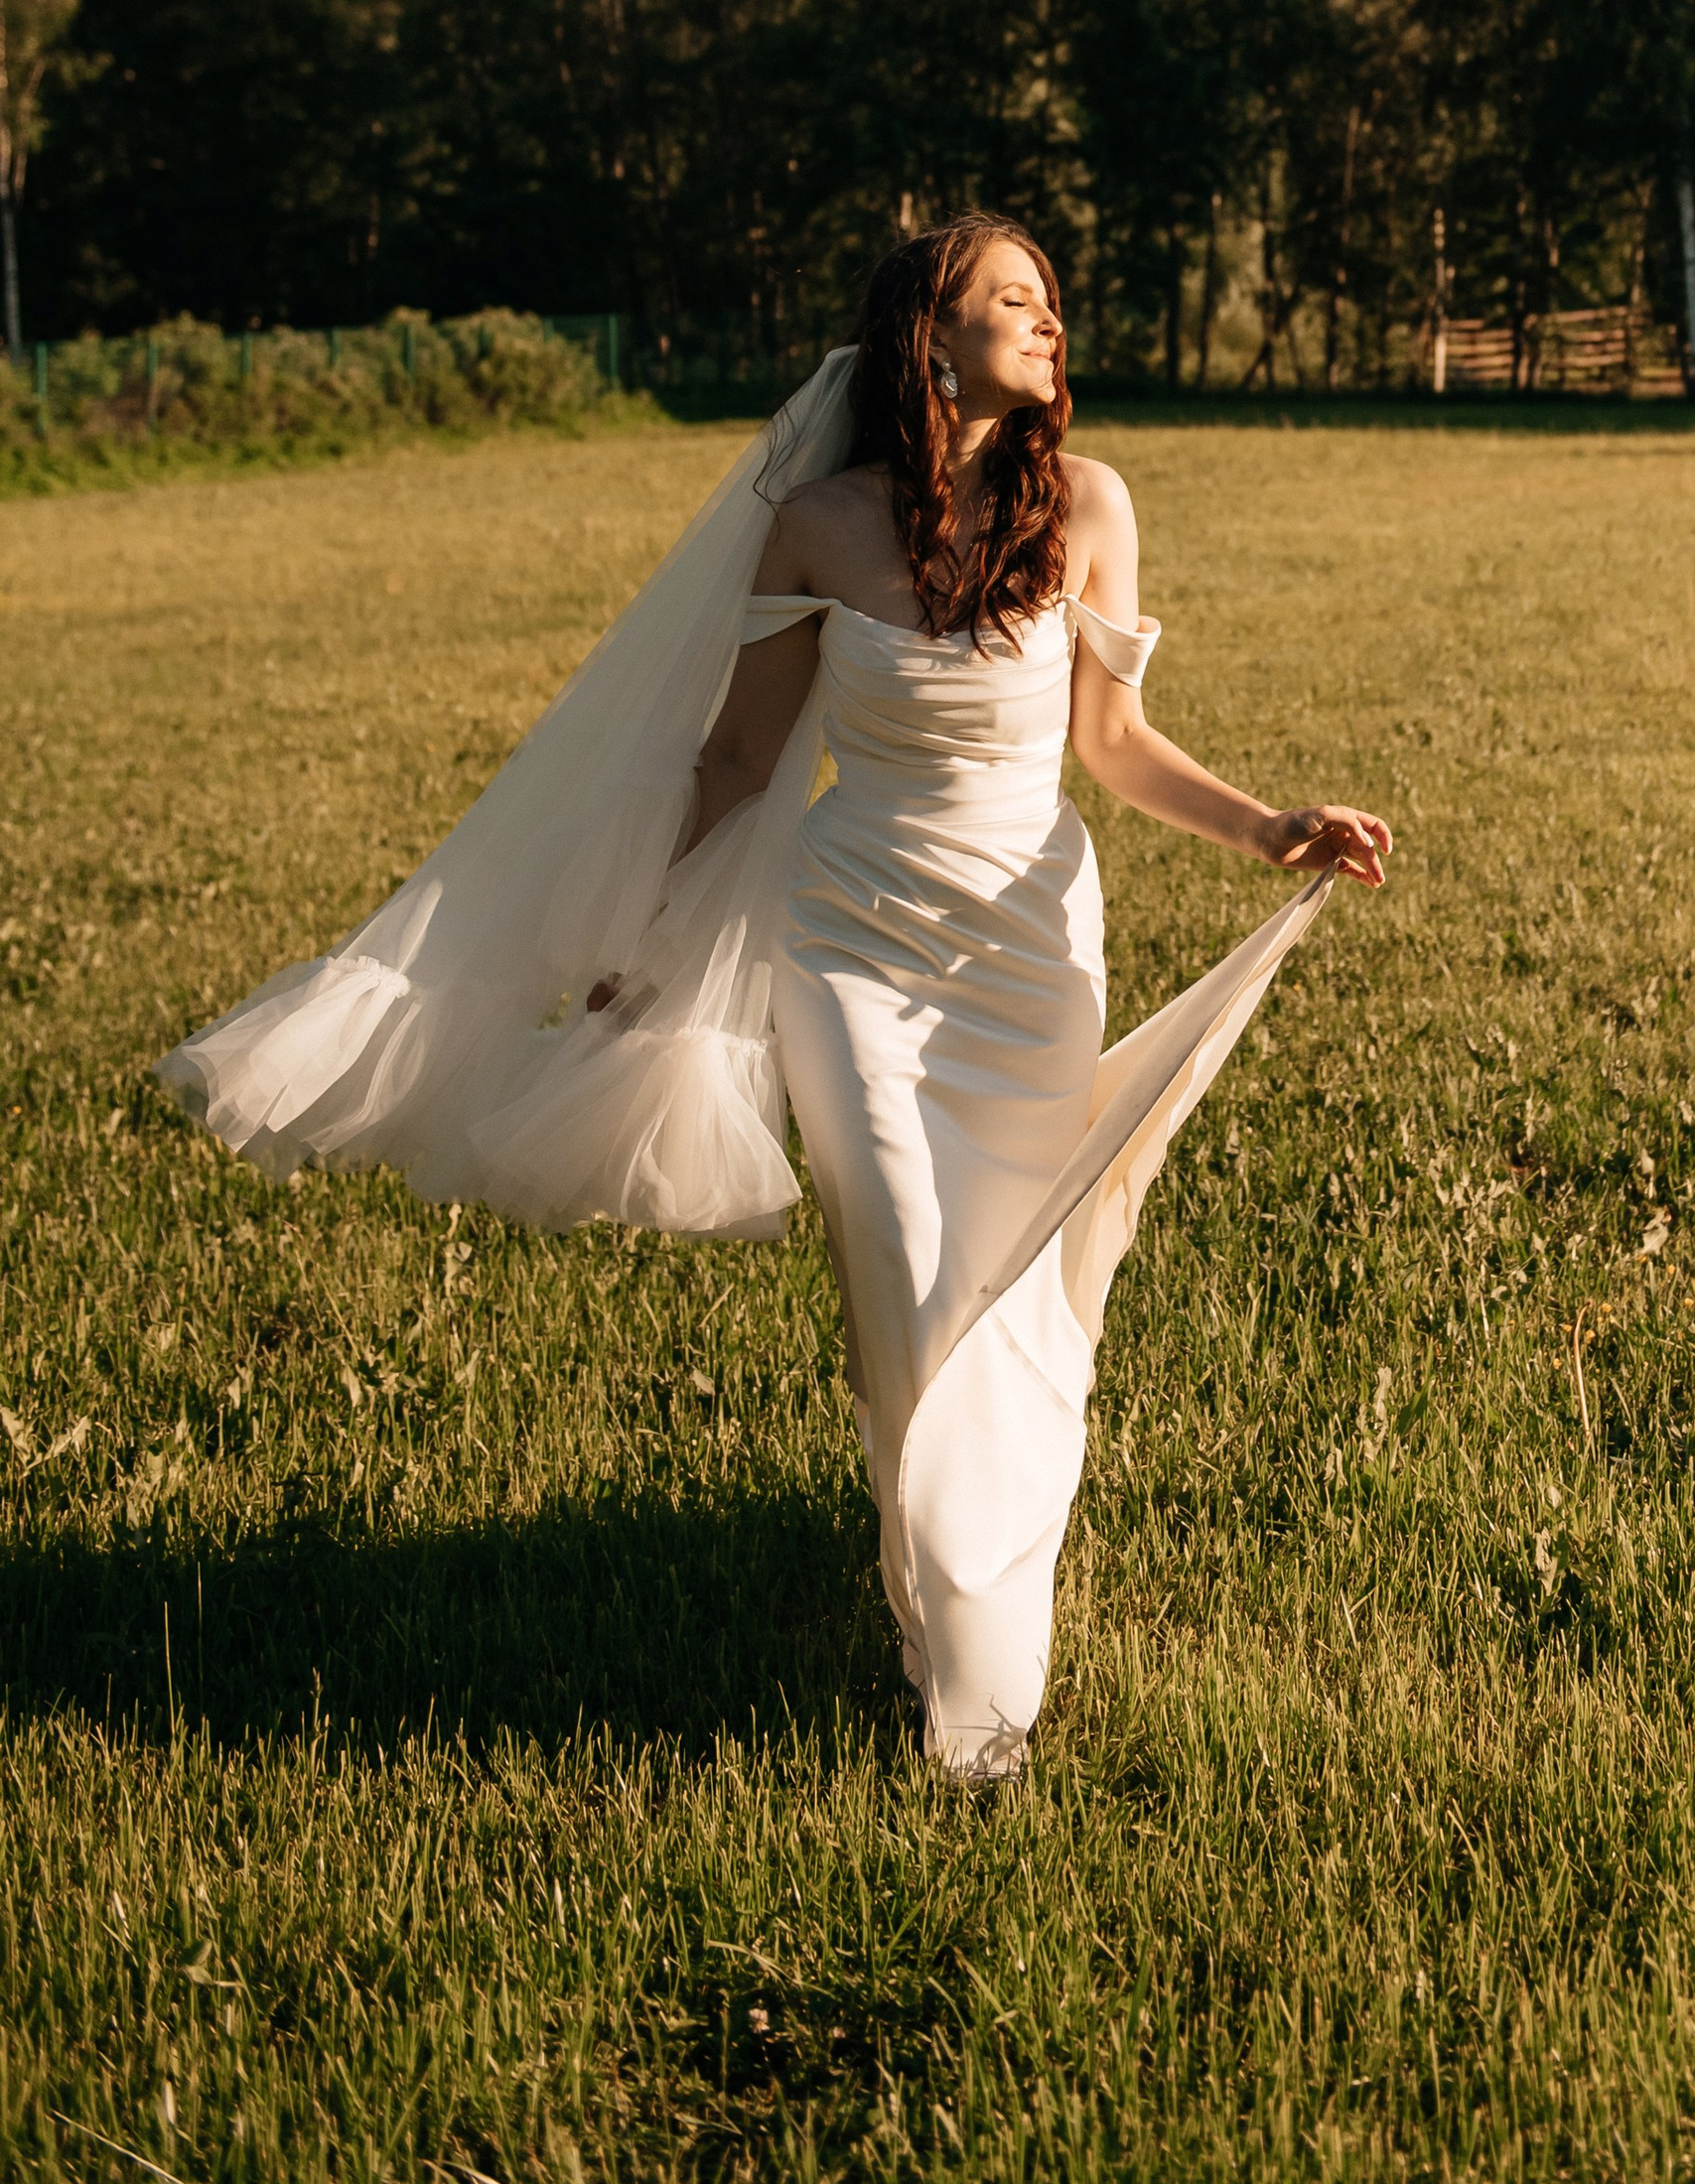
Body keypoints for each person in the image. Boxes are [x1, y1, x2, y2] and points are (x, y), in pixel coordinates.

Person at [158, 213, 1389, 1784]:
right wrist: (649, 932)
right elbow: (741, 760)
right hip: (851, 950)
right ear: (926, 335)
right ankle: (968, 1681)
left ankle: (977, 1629)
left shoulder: (1088, 505)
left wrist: (1273, 823)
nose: (1049, 323)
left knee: (1010, 1279)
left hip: (1024, 961)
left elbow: (1115, 745)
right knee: (908, 1266)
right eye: (1013, 300)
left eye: (1053, 303)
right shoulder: (815, 523)